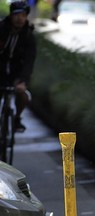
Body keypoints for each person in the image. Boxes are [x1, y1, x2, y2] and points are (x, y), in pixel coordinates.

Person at [0, 0, 36, 132]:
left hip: (17, 72)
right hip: (1, 70)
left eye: (22, 15)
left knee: (23, 95)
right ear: (10, 16)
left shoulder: (28, 36)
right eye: (16, 15)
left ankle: (17, 118)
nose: (19, 19)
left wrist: (23, 81)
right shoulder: (1, 29)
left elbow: (29, 60)